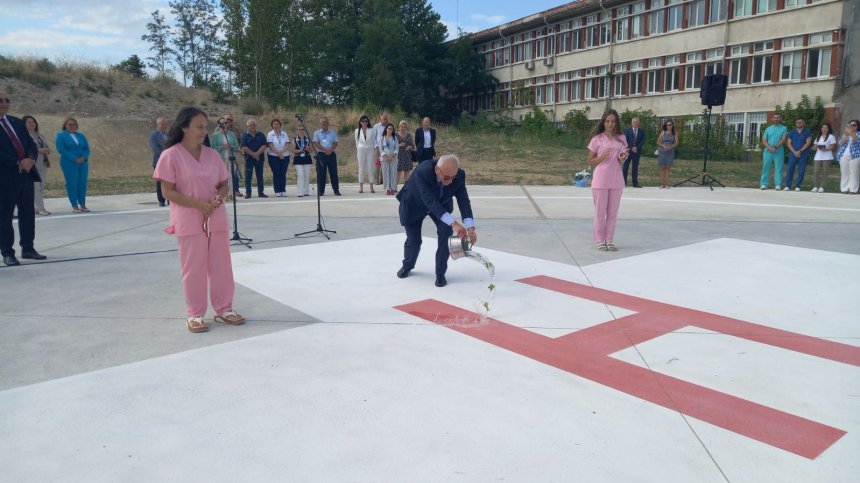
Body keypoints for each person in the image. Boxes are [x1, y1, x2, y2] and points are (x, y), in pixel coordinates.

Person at [153, 107, 245, 333]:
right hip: (189, 219)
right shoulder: (170, 155)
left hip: (215, 217)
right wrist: (199, 205)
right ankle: (195, 313)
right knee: (193, 268)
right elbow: (167, 191)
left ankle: (224, 309)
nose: (204, 131)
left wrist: (217, 199)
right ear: (184, 127)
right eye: (199, 127)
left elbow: (224, 184)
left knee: (221, 266)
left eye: (205, 127)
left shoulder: (212, 155)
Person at [396, 154, 476, 288]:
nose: (451, 181)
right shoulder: (423, 171)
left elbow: (464, 201)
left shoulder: (459, 175)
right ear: (437, 170)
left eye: (453, 177)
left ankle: (440, 274)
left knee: (445, 234)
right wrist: (454, 223)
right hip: (414, 204)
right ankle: (408, 265)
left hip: (441, 204)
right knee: (414, 241)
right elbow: (430, 202)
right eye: (447, 177)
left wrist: (470, 227)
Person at [0, 91, 46, 266]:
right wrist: (18, 162)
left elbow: (31, 144)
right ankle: (7, 252)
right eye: (0, 100)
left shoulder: (17, 122)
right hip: (5, 176)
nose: (4, 103)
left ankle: (28, 248)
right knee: (5, 215)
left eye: (6, 100)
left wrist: (30, 158)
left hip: (26, 174)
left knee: (27, 212)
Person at [587, 109, 629, 252]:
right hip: (601, 180)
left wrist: (622, 157)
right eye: (608, 121)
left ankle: (609, 240)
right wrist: (602, 156)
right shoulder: (597, 139)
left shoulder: (621, 139)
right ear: (603, 122)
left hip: (616, 179)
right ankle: (600, 240)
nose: (610, 124)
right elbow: (590, 161)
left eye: (613, 121)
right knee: (600, 212)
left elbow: (621, 158)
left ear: (616, 123)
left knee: (612, 213)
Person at [55, 116, 91, 213]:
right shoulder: (61, 136)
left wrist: (84, 157)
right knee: (72, 184)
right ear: (65, 125)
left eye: (73, 124)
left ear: (76, 126)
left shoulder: (81, 136)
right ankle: (74, 205)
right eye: (69, 124)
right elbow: (61, 150)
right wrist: (75, 159)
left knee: (82, 183)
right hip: (69, 163)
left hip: (83, 163)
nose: (71, 126)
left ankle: (82, 204)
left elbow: (86, 149)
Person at [24, 115, 52, 215]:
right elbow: (25, 149)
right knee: (36, 186)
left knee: (41, 186)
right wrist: (39, 150)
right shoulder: (24, 135)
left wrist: (47, 150)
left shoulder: (40, 135)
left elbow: (46, 146)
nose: (32, 124)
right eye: (29, 122)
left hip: (43, 163)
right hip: (33, 164)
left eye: (33, 122)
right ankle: (41, 208)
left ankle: (36, 207)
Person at [211, 117, 240, 198]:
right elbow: (212, 148)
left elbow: (236, 146)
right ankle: (222, 195)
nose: (224, 124)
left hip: (230, 158)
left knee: (231, 176)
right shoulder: (215, 135)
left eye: (225, 123)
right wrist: (222, 147)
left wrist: (230, 146)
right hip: (220, 159)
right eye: (222, 123)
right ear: (219, 125)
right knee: (222, 178)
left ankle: (231, 194)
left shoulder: (232, 134)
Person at [312, 116, 340, 196]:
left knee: (333, 173)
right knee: (321, 173)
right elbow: (316, 143)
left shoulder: (332, 132)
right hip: (321, 154)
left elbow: (336, 143)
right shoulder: (317, 133)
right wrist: (325, 150)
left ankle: (336, 190)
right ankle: (321, 191)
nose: (325, 123)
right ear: (320, 123)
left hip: (331, 154)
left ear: (328, 123)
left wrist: (330, 150)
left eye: (326, 122)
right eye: (323, 122)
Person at [240, 118, 268, 198]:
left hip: (259, 158)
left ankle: (261, 192)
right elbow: (243, 146)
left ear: (256, 125)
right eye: (250, 125)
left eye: (254, 125)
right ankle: (248, 193)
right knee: (248, 176)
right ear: (247, 126)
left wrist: (257, 154)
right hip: (249, 159)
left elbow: (264, 145)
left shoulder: (261, 134)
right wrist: (253, 154)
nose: (252, 126)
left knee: (260, 175)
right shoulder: (245, 135)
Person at [783, 117, 812, 192]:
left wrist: (800, 151)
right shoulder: (792, 132)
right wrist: (794, 152)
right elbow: (789, 143)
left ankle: (798, 186)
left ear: (803, 123)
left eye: (800, 122)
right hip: (793, 153)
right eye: (798, 122)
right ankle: (788, 186)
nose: (799, 124)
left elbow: (808, 142)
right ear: (796, 124)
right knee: (790, 169)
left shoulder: (807, 131)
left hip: (803, 153)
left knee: (801, 169)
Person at [760, 113, 788, 190]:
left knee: (779, 168)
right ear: (772, 119)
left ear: (780, 119)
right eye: (775, 117)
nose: (776, 119)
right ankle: (764, 184)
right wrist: (769, 147)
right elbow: (764, 140)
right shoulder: (768, 129)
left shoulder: (784, 128)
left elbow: (783, 139)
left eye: (778, 117)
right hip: (768, 151)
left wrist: (775, 147)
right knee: (766, 167)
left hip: (778, 151)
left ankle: (778, 184)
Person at [267, 119, 290, 197]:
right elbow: (270, 145)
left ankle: (283, 190)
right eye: (274, 124)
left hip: (284, 156)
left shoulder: (284, 133)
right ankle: (277, 190)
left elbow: (287, 144)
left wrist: (282, 152)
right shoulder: (270, 134)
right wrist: (278, 153)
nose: (276, 126)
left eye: (277, 124)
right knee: (276, 173)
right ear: (272, 125)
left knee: (283, 173)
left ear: (280, 125)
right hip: (273, 156)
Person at [148, 116, 169, 206]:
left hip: (170, 162)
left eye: (165, 124)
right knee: (160, 181)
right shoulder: (153, 134)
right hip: (159, 161)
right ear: (158, 125)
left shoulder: (168, 135)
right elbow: (155, 148)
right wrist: (165, 156)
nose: (164, 126)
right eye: (162, 124)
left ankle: (170, 199)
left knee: (170, 180)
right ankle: (161, 200)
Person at [836, 119, 860, 194]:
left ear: (857, 126)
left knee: (854, 173)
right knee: (844, 172)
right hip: (844, 154)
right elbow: (840, 143)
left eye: (854, 125)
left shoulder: (858, 134)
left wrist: (850, 132)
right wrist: (846, 135)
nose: (852, 126)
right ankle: (844, 189)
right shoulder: (846, 134)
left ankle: (853, 190)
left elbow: (857, 140)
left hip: (855, 155)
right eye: (850, 125)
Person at [810, 123, 836, 193]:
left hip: (827, 156)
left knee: (825, 172)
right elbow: (814, 148)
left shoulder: (831, 137)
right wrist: (815, 147)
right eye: (823, 127)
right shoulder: (818, 137)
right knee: (816, 171)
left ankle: (822, 186)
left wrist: (825, 149)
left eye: (826, 128)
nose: (824, 129)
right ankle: (815, 186)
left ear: (828, 129)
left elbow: (833, 147)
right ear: (821, 129)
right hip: (818, 156)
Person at [355, 115, 375, 193]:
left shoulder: (371, 130)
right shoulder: (357, 131)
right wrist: (358, 151)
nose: (364, 123)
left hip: (370, 150)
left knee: (371, 168)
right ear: (360, 122)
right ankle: (361, 187)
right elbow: (357, 142)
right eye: (362, 121)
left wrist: (372, 149)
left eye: (366, 121)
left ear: (368, 122)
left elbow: (373, 141)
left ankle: (371, 187)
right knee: (361, 168)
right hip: (361, 150)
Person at [623, 117, 644, 188]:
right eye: (634, 122)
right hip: (628, 151)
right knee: (625, 166)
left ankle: (635, 183)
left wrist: (637, 148)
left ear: (639, 123)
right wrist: (631, 147)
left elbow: (642, 141)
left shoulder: (641, 131)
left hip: (637, 151)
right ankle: (623, 182)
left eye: (636, 122)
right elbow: (626, 141)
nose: (635, 123)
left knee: (635, 167)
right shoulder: (627, 131)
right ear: (631, 123)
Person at [656, 120, 678, 189]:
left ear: (672, 125)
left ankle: (667, 184)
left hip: (670, 151)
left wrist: (670, 147)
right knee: (662, 167)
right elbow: (658, 141)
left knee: (668, 167)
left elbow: (676, 142)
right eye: (667, 125)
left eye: (670, 125)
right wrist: (663, 146)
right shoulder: (663, 132)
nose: (669, 126)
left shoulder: (674, 133)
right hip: (662, 151)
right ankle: (662, 184)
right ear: (666, 126)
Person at [292, 125, 312, 197]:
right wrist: (300, 150)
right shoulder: (295, 140)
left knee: (306, 175)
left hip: (307, 158)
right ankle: (300, 192)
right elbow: (293, 150)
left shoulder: (308, 139)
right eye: (299, 129)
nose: (301, 131)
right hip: (298, 159)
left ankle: (306, 191)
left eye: (302, 129)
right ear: (297, 131)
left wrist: (308, 149)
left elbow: (312, 150)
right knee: (300, 175)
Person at [380, 123, 399, 195]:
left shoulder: (394, 138)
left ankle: (393, 188)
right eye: (389, 128)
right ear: (386, 129)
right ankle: (387, 189)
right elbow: (381, 149)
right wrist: (385, 156)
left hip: (393, 158)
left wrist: (392, 156)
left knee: (393, 173)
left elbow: (397, 148)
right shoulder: (382, 138)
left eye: (391, 129)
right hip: (384, 159)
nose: (390, 130)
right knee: (385, 174)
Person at [373, 112, 390, 185]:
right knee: (378, 164)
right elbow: (373, 137)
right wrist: (376, 145)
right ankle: (376, 180)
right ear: (381, 119)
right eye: (384, 119)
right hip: (378, 147)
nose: (386, 120)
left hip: (386, 147)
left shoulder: (389, 126)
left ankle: (382, 179)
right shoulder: (376, 126)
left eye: (387, 119)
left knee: (385, 164)